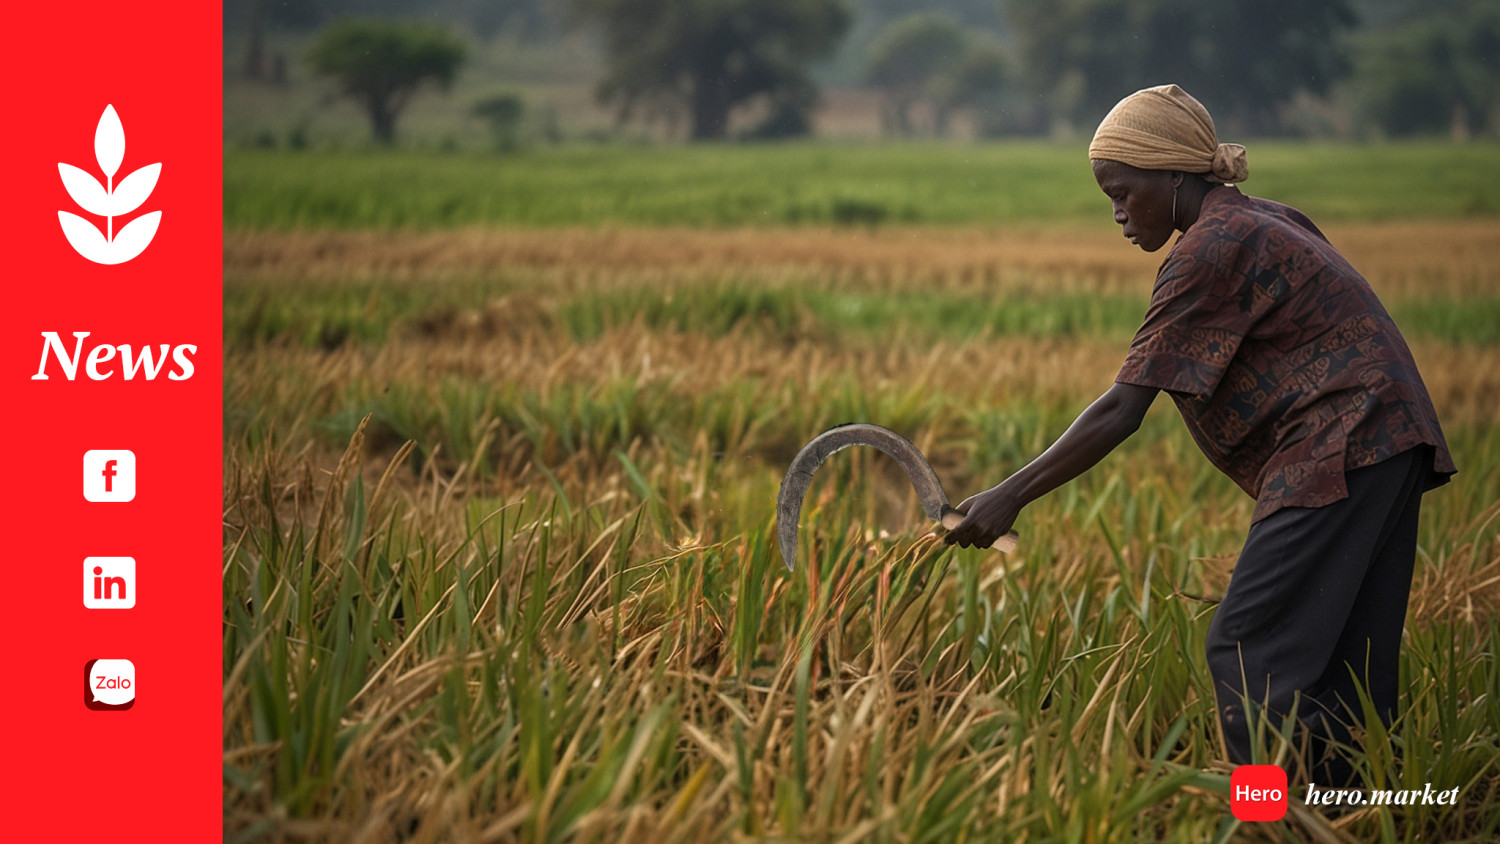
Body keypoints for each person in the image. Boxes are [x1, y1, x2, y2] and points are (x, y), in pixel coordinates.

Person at [945, 84, 1455, 784]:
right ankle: (1355, 817)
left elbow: (1123, 408)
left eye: (1123, 193)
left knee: (1248, 649)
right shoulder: (1265, 220)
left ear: (1175, 175)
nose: (1119, 214)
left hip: (1336, 448)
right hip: (1390, 438)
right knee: (1347, 663)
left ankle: (1265, 816)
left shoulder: (1209, 251)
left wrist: (1008, 496)